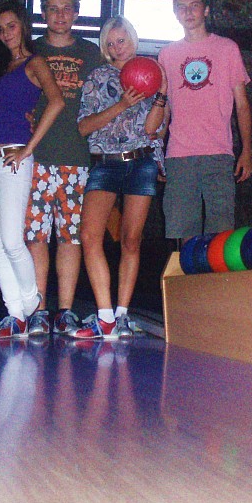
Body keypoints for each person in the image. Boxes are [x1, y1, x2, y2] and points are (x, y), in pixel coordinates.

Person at [73, 17, 166, 340]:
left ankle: (122, 315)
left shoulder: (152, 73)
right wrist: (122, 104)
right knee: (89, 235)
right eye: (110, 44)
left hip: (141, 163)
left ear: (133, 39)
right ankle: (105, 317)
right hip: (106, 164)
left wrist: (161, 94)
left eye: (121, 41)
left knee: (131, 240)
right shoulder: (98, 77)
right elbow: (84, 127)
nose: (116, 48)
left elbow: (153, 130)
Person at [0, 5, 65, 339]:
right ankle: (15, 314)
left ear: (24, 27)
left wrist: (28, 148)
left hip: (13, 157)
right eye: (1, 29)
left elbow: (57, 101)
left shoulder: (35, 62)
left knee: (13, 240)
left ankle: (31, 302)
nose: (5, 34)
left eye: (11, 26)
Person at [24, 0, 104, 337]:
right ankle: (39, 310)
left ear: (76, 13)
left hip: (77, 156)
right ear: (43, 13)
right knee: (36, 236)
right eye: (52, 8)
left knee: (70, 237)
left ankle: (66, 311)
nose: (59, 15)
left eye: (66, 8)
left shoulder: (91, 53)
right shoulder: (30, 50)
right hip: (35, 156)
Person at [157, 0, 252, 243]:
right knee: (183, 233)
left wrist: (246, 150)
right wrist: (157, 151)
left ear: (206, 10)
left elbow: (242, 104)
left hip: (218, 152)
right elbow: (164, 107)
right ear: (175, 13)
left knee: (220, 234)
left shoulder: (227, 48)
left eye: (194, 6)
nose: (188, 13)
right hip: (179, 154)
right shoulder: (166, 54)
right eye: (181, 8)